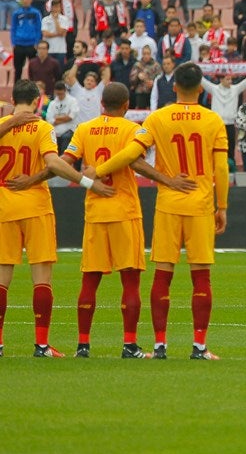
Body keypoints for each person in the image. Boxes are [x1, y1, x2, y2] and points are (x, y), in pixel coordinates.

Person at [39, 83, 192, 358]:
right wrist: (167, 180)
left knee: (89, 281)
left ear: (101, 104)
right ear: (126, 105)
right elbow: (136, 163)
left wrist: (33, 180)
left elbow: (62, 162)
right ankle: (129, 345)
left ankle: (83, 345)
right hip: (124, 211)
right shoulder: (131, 129)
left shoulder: (84, 129)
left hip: (96, 213)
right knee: (130, 283)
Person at [90, 64, 229, 359]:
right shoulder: (213, 120)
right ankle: (200, 346)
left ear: (174, 86)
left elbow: (131, 154)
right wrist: (223, 207)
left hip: (168, 204)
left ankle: (159, 346)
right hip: (201, 204)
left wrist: (98, 171)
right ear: (201, 89)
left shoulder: (157, 118)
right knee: (201, 276)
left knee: (163, 275)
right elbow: (220, 168)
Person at [0, 82, 116, 358]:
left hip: (4, 206)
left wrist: (10, 121)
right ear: (38, 102)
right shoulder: (42, 128)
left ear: (13, 99)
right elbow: (53, 163)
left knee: (2, 278)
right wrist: (87, 181)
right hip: (36, 205)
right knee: (41, 277)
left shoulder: (4, 123)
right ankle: (41, 345)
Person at [11, 0, 42, 81]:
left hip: (32, 44)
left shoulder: (35, 13)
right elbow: (13, 28)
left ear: (31, 0)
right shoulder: (16, 13)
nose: (25, 0)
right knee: (18, 69)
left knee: (33, 69)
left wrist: (37, 42)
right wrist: (13, 42)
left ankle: (33, 90)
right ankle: (16, 91)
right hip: (19, 44)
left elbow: (38, 28)